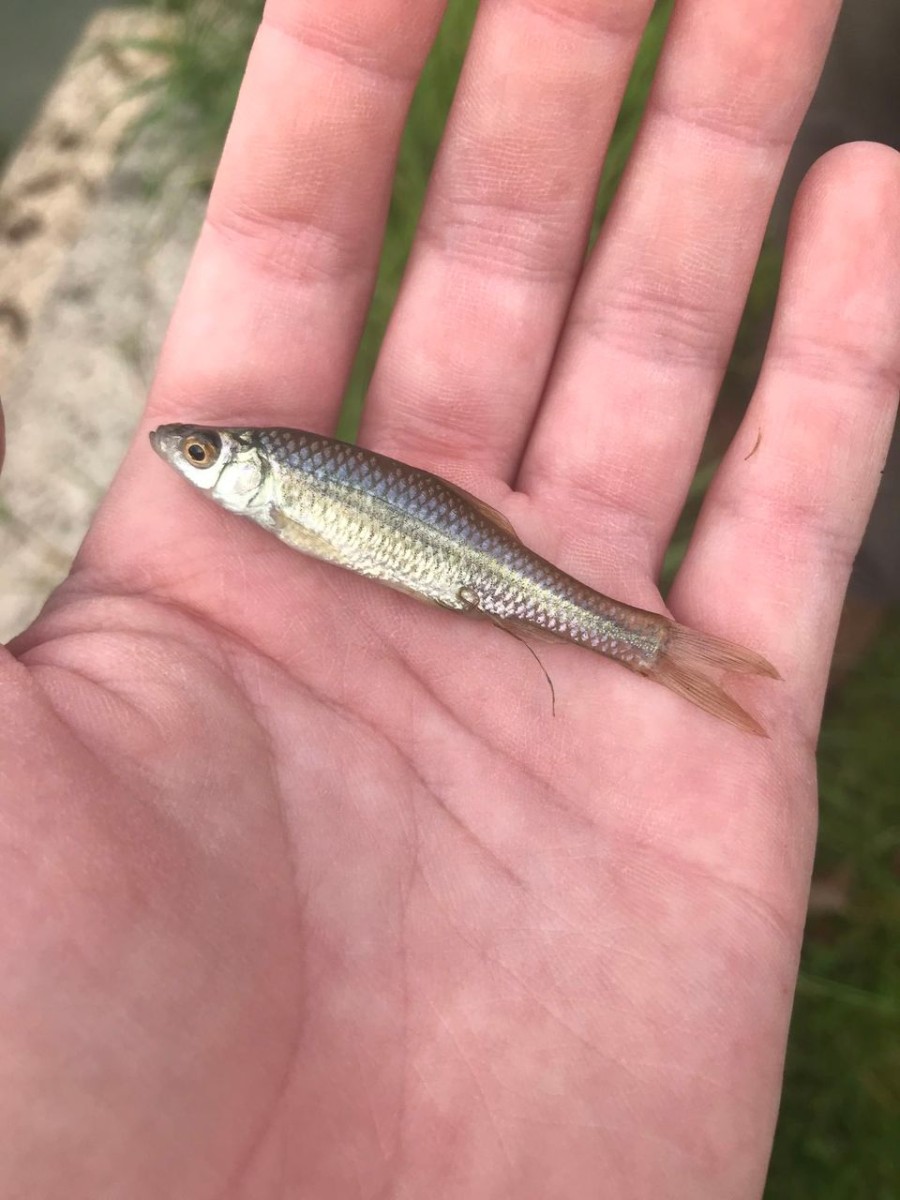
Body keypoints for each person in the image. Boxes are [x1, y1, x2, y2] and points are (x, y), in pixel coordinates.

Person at [0, 0, 897, 1194]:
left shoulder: (282, 487)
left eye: (209, 456)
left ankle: (654, 648)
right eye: (208, 455)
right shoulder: (283, 490)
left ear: (257, 470)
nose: (193, 460)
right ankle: (660, 650)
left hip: (472, 562)